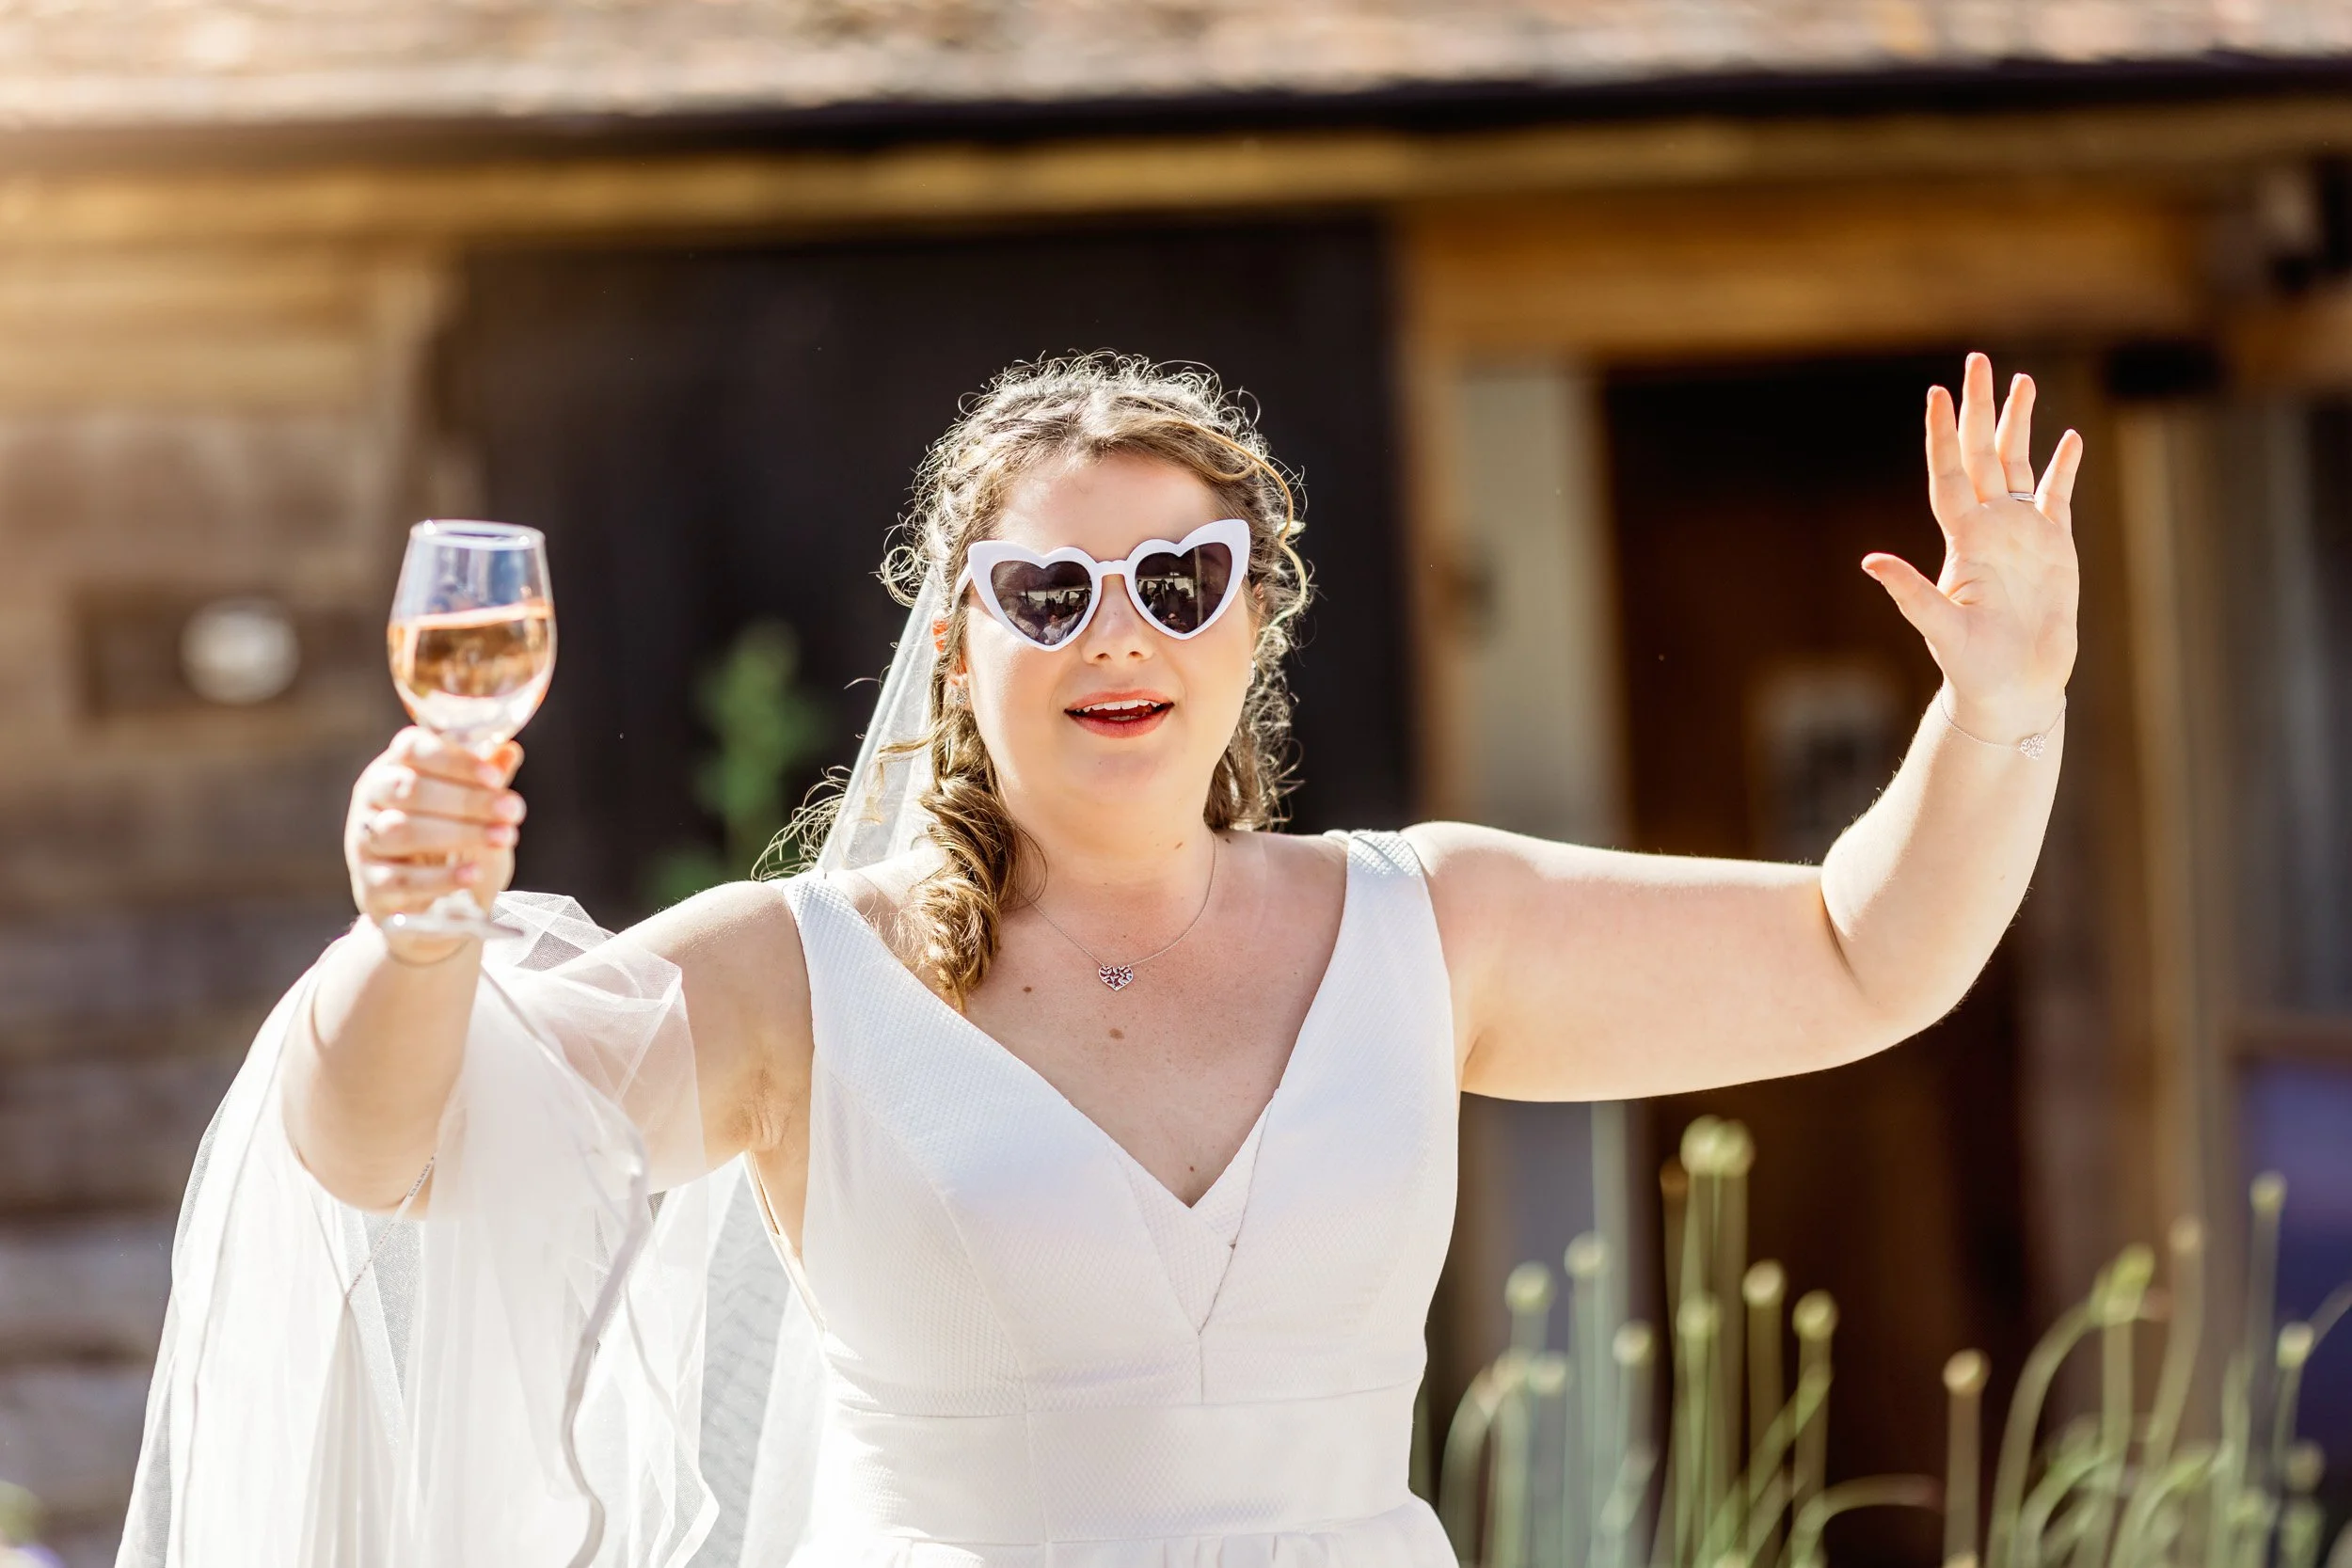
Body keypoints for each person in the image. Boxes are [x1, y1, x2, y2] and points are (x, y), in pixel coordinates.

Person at [125, 350, 2078, 1567]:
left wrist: (1998, 705)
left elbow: (1861, 951)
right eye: (1046, 588)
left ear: (1253, 622)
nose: (1116, 630)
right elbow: (386, 1152)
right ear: (956, 645)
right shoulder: (795, 979)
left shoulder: (1426, 924)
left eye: (1177, 578)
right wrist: (412, 939)